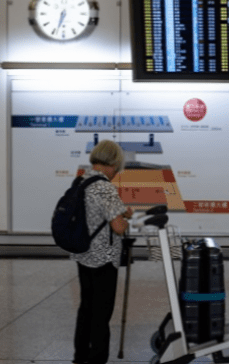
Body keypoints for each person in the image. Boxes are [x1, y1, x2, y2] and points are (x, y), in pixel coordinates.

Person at [70, 140, 133, 364]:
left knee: (86, 307)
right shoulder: (105, 187)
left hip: (84, 255)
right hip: (103, 259)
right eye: (117, 167)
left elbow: (95, 213)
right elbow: (118, 227)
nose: (117, 172)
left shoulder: (82, 180)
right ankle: (97, 358)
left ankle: (80, 356)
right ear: (113, 163)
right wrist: (125, 219)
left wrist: (121, 212)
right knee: (101, 312)